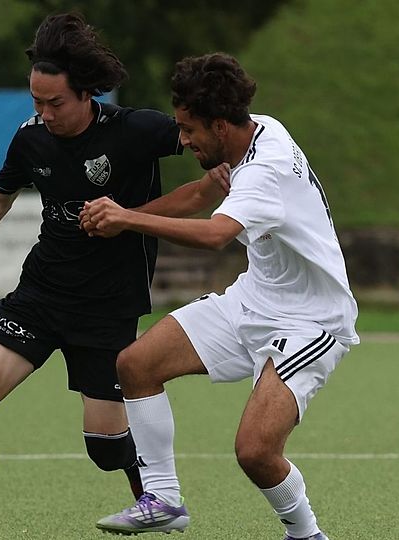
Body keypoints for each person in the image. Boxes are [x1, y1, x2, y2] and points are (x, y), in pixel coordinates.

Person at [0, 13, 228, 540]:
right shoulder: (31, 138)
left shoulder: (135, 131)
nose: (44, 113)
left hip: (107, 307)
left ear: (86, 95)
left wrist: (220, 178)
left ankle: (157, 497)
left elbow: (207, 151)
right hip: (41, 293)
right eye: (36, 102)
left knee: (104, 450)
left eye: (55, 103)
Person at [81, 52, 358, 540]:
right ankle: (163, 500)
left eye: (190, 130)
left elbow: (214, 234)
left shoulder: (263, 170)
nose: (183, 140)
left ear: (221, 125)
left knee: (255, 452)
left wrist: (125, 219)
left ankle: (306, 534)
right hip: (252, 301)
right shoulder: (260, 129)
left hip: (310, 324)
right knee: (136, 364)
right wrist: (125, 214)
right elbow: (205, 196)